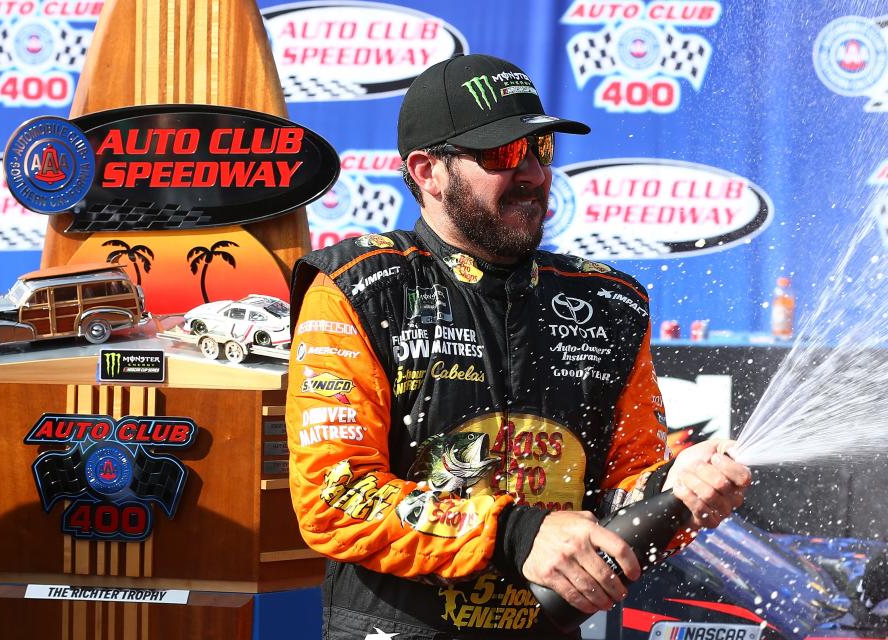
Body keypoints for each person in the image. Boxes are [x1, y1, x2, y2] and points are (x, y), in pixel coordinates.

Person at [286, 53, 751, 640]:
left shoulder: (609, 301)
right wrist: (517, 534)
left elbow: (622, 491)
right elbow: (336, 495)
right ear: (427, 171)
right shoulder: (360, 286)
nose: (531, 173)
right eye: (503, 154)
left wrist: (676, 491)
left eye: (541, 151)